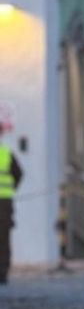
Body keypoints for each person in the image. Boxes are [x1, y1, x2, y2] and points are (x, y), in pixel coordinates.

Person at [0, 121, 22, 285]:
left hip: (4, 203)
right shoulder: (6, 154)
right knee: (3, 239)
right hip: (4, 204)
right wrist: (10, 189)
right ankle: (2, 272)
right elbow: (18, 174)